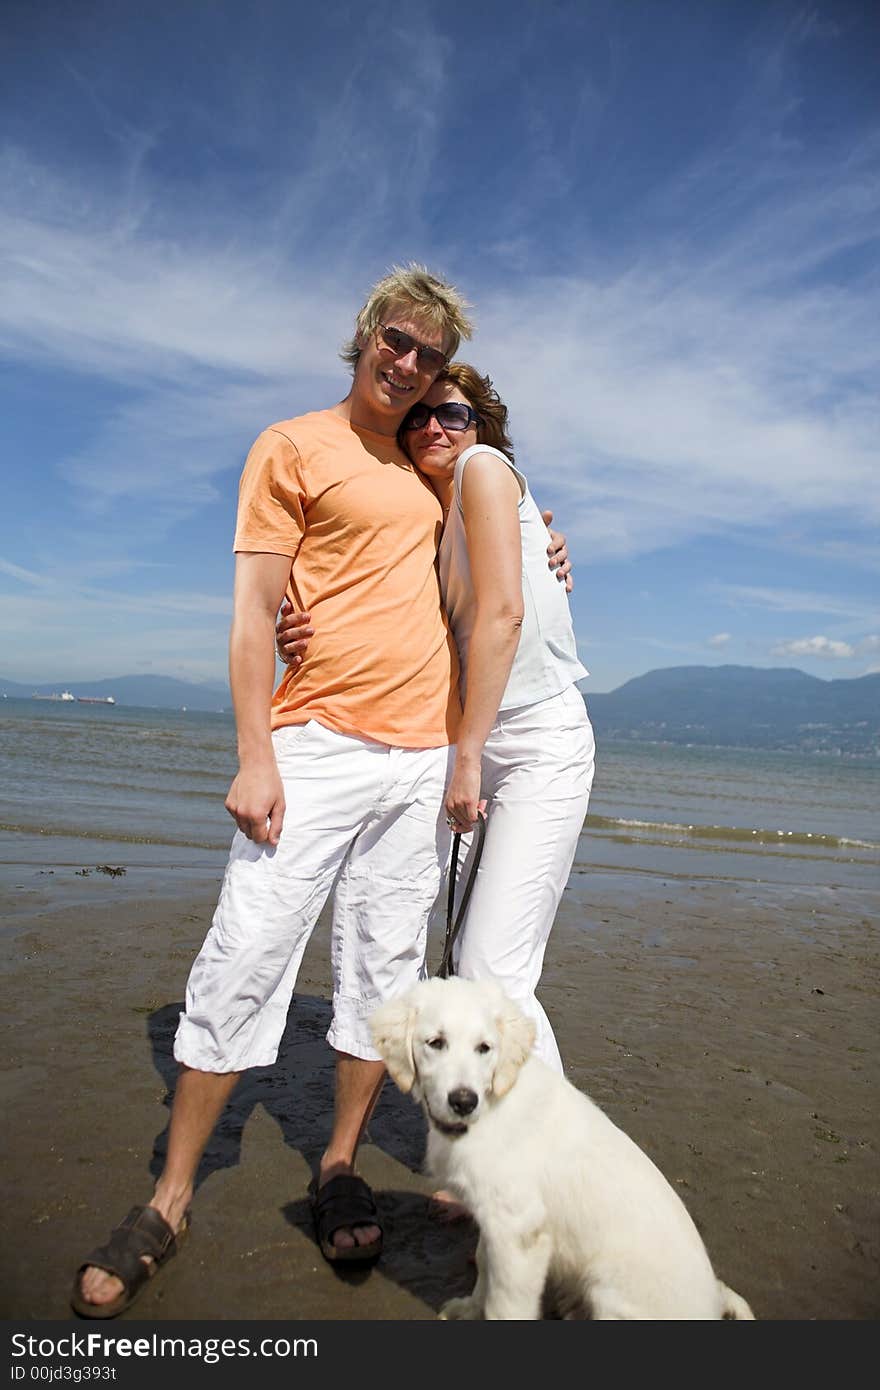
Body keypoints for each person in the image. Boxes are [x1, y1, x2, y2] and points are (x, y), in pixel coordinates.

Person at [71, 265, 569, 1317]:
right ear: (363, 337)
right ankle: (171, 1193)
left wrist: (548, 531)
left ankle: (338, 1161)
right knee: (247, 949)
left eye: (432, 361)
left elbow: (500, 549)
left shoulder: (443, 465)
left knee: (382, 974)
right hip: (315, 746)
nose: (412, 371)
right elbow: (255, 611)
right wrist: (255, 751)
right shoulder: (292, 445)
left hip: (424, 759)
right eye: (397, 344)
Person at [280, 363, 595, 1073]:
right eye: (418, 416)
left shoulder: (484, 469)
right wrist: (294, 624)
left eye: (452, 414)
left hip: (531, 739)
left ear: (481, 428)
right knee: (459, 957)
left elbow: (505, 615)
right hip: (468, 739)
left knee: (491, 966)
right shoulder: (429, 514)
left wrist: (467, 755)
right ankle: (506, 1149)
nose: (433, 427)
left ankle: (541, 1149)